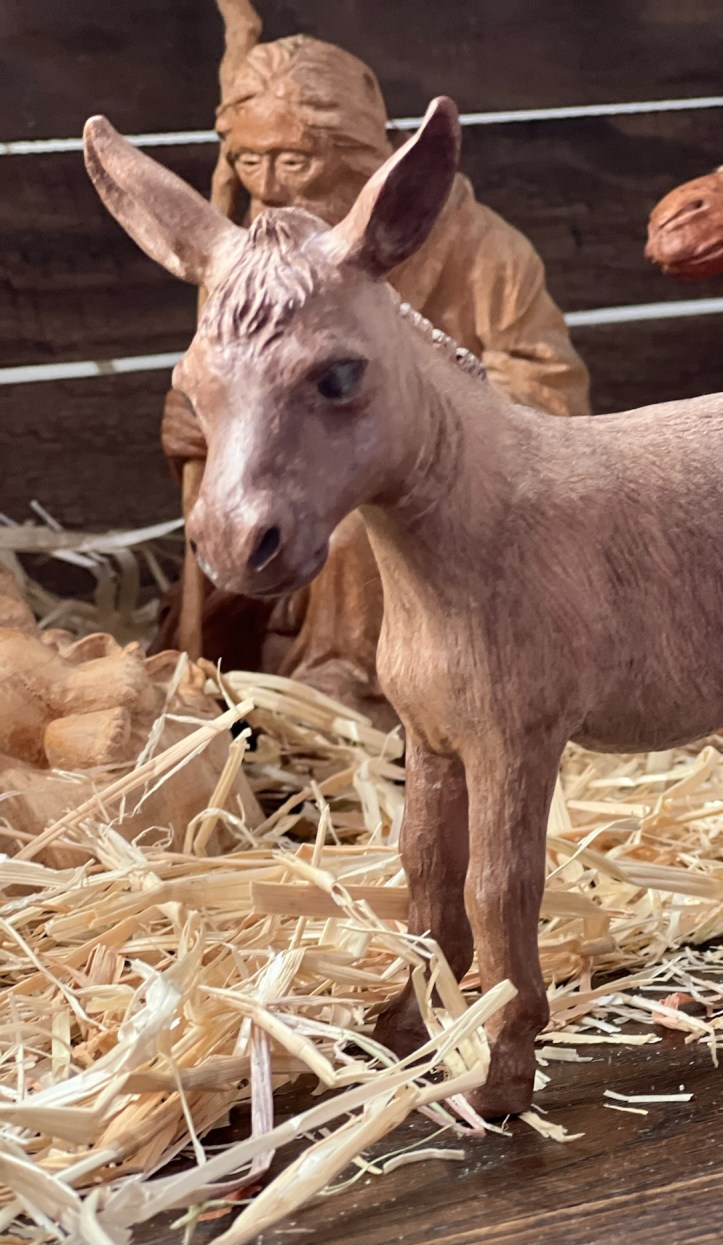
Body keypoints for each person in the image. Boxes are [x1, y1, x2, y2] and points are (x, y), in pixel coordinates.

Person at [158, 8, 589, 723]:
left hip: (452, 495)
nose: (269, 188)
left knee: (362, 507)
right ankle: (232, 683)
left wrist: (414, 428)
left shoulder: (484, 251)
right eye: (248, 161)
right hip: (286, 484)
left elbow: (550, 392)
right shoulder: (250, 270)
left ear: (359, 153)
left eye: (295, 161)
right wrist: (197, 421)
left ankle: (351, 691)